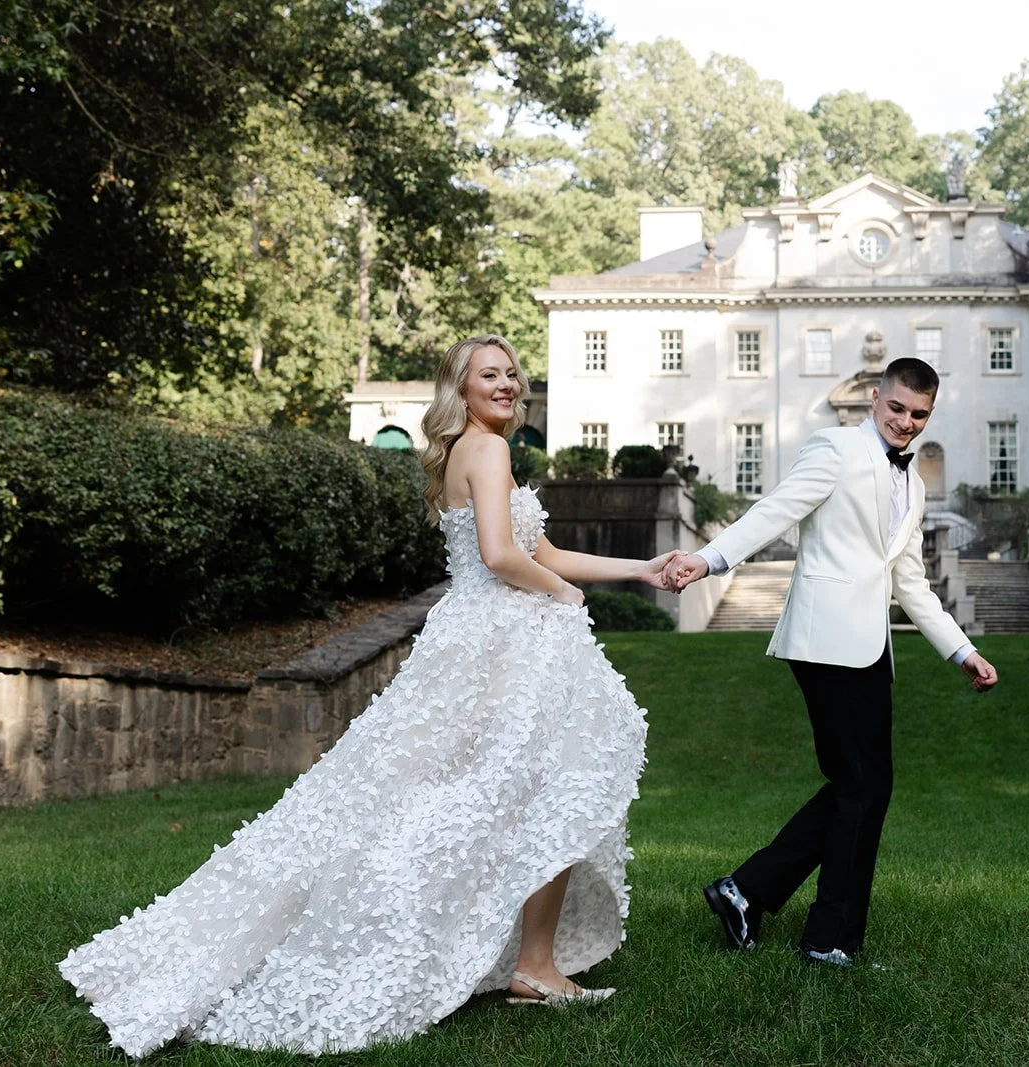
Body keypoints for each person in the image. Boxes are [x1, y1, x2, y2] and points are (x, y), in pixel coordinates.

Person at [60, 334, 680, 1055]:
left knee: (513, 788)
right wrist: (563, 594)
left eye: (512, 373)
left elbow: (536, 551)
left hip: (485, 637)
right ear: (461, 387)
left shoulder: (469, 452)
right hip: (503, 639)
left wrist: (642, 567)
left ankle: (531, 962)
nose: (507, 383)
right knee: (538, 786)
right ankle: (522, 961)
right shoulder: (488, 450)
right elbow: (503, 557)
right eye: (490, 374)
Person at [666, 356, 998, 968]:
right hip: (823, 641)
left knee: (862, 785)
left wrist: (962, 649)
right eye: (896, 407)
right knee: (864, 784)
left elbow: (911, 581)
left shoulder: (915, 485)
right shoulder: (836, 447)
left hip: (869, 644)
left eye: (918, 415)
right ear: (876, 397)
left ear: (929, 415)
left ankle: (751, 893)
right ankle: (825, 937)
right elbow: (776, 511)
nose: (905, 422)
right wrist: (709, 560)